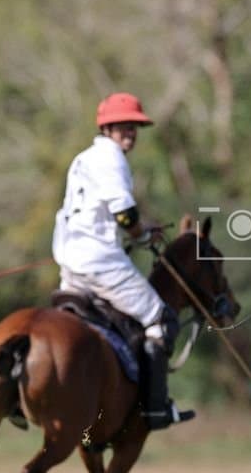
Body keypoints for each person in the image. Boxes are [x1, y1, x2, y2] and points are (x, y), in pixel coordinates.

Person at [51, 92, 189, 430]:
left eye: (135, 126)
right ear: (108, 127)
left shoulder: (83, 159)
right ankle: (155, 409)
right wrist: (142, 234)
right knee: (162, 321)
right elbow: (125, 214)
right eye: (124, 126)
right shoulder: (112, 159)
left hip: (70, 258)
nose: (131, 132)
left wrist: (137, 232)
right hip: (100, 261)